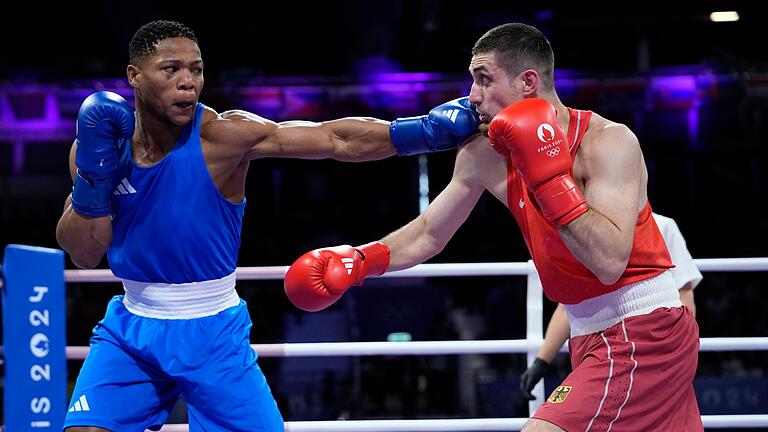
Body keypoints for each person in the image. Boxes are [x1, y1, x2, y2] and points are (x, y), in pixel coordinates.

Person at [56, 20, 479, 432]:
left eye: (196, 69)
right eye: (171, 69)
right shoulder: (99, 149)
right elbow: (85, 254)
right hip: (131, 324)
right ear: (135, 76)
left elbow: (334, 140)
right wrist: (93, 184)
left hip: (211, 330)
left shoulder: (223, 136)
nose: (188, 81)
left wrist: (425, 132)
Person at [285, 23, 703, 431]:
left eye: (484, 80)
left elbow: (609, 262)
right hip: (590, 333)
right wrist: (360, 262)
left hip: (644, 329)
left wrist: (549, 181)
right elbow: (430, 231)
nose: (473, 96)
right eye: (473, 80)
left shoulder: (608, 142)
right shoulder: (485, 150)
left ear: (527, 81)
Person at [520, 212, 703, 400]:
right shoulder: (580, 232)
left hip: (653, 346)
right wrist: (541, 361)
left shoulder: (662, 225)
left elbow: (684, 292)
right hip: (594, 348)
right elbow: (568, 306)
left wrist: (680, 354)